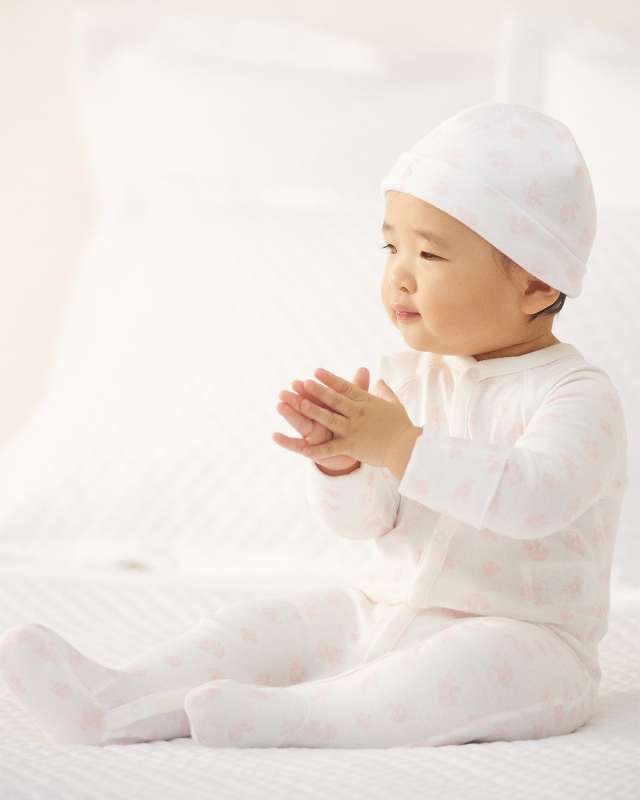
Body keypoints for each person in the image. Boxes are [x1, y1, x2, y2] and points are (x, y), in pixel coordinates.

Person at [0, 102, 628, 748]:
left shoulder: (578, 396)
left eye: (429, 254)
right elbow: (365, 524)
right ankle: (116, 700)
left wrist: (398, 443)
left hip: (526, 643)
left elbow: (532, 497)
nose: (399, 275)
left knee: (465, 670)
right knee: (281, 624)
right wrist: (343, 465)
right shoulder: (407, 379)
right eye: (392, 247)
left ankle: (303, 719)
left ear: (535, 284)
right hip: (386, 608)